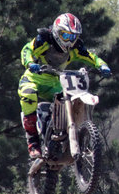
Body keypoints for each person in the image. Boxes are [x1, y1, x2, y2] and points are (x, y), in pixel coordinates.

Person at [18, 12, 111, 158]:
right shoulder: (44, 39)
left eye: (72, 37)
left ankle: (69, 135)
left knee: (69, 98)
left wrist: (102, 66)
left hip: (57, 81)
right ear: (56, 32)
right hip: (34, 78)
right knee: (28, 94)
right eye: (65, 36)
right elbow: (27, 49)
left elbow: (92, 57)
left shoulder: (75, 48)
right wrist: (30, 63)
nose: (69, 41)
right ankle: (33, 142)